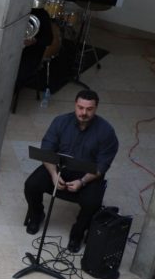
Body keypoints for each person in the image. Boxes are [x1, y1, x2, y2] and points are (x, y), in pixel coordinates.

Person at [24, 90, 118, 253]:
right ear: (75, 105)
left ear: (96, 108)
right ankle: (37, 214)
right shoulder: (60, 122)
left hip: (87, 175)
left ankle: (77, 234)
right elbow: (46, 151)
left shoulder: (106, 132)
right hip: (59, 168)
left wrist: (82, 182)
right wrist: (54, 175)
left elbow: (102, 166)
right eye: (80, 107)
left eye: (89, 109)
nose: (84, 112)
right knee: (31, 185)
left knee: (92, 203)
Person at [16, 7, 55, 91]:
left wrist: (35, 41)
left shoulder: (42, 14)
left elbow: (48, 40)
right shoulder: (17, 8)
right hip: (13, 48)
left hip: (31, 53)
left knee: (16, 75)